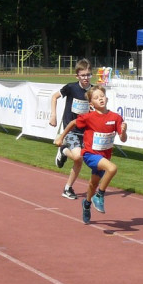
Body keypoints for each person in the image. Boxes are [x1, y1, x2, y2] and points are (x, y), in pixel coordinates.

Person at [54, 84, 127, 225]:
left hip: (104, 156)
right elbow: (72, 123)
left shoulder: (116, 117)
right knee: (112, 169)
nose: (100, 99)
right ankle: (100, 196)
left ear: (106, 98)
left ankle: (87, 203)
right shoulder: (88, 117)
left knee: (92, 185)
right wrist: (61, 137)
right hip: (89, 154)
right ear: (91, 103)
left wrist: (124, 131)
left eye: (102, 96)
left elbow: (123, 138)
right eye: (96, 98)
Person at [48, 59, 93, 199]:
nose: (86, 78)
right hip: (70, 129)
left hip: (85, 132)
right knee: (78, 156)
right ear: (77, 76)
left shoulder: (94, 91)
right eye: (83, 75)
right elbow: (54, 97)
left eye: (88, 75)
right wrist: (53, 115)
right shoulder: (71, 88)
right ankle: (63, 150)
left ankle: (68, 188)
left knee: (79, 160)